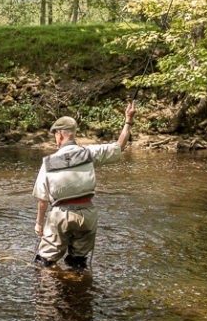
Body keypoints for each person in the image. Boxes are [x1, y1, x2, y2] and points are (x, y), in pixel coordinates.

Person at [32, 101, 136, 270]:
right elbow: (120, 146)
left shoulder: (49, 162)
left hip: (61, 215)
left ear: (59, 135)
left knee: (43, 264)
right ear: (73, 134)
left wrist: (39, 223)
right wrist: (128, 120)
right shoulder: (89, 153)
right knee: (78, 263)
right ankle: (80, 290)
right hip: (88, 216)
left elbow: (42, 200)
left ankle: (48, 294)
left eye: (55, 136)